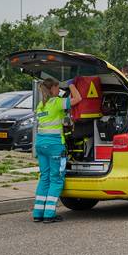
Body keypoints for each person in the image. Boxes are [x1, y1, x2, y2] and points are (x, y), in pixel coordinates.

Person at [33, 78, 81, 223]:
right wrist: (71, 84)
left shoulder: (41, 105)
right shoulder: (56, 102)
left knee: (45, 178)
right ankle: (49, 214)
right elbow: (78, 99)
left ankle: (38, 213)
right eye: (58, 88)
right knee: (56, 179)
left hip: (40, 145)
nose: (59, 90)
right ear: (53, 88)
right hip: (54, 146)